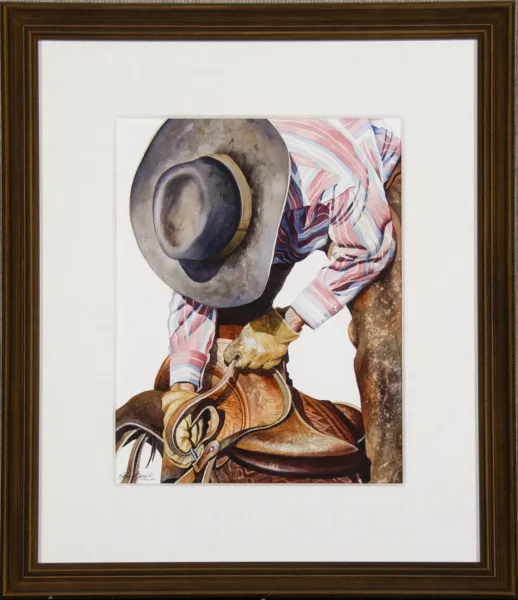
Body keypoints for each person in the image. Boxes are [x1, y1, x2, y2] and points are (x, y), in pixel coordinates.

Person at [130, 118, 402, 482]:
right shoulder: (193, 193)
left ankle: (391, 484)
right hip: (287, 213)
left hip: (373, 189)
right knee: (224, 338)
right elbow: (194, 289)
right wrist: (183, 388)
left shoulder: (330, 182)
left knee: (388, 346)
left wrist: (286, 323)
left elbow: (368, 251)